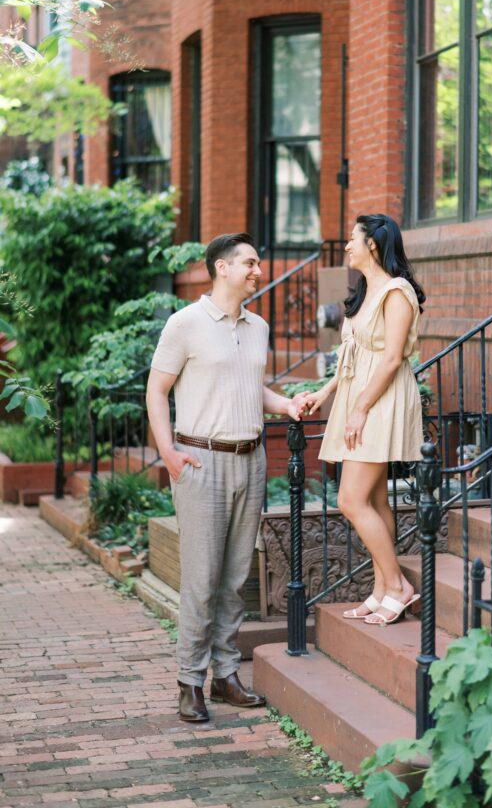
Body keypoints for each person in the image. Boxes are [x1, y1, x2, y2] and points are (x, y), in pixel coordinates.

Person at [146, 233, 309, 723]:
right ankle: (189, 681)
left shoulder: (256, 326)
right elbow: (157, 391)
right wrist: (168, 454)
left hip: (250, 459)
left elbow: (249, 385)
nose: (258, 271)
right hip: (199, 462)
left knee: (236, 578)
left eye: (257, 263)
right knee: (202, 577)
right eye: (251, 263)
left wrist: (286, 405)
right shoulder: (185, 323)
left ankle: (225, 675)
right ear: (221, 268)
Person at [306, 214, 425, 625]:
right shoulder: (362, 294)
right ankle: (379, 589)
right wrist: (324, 392)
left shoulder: (396, 291)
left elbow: (392, 357)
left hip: (381, 398)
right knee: (374, 499)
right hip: (358, 395)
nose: (346, 247)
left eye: (352, 239)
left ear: (373, 244)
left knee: (350, 499)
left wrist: (360, 410)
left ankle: (397, 587)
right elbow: (349, 358)